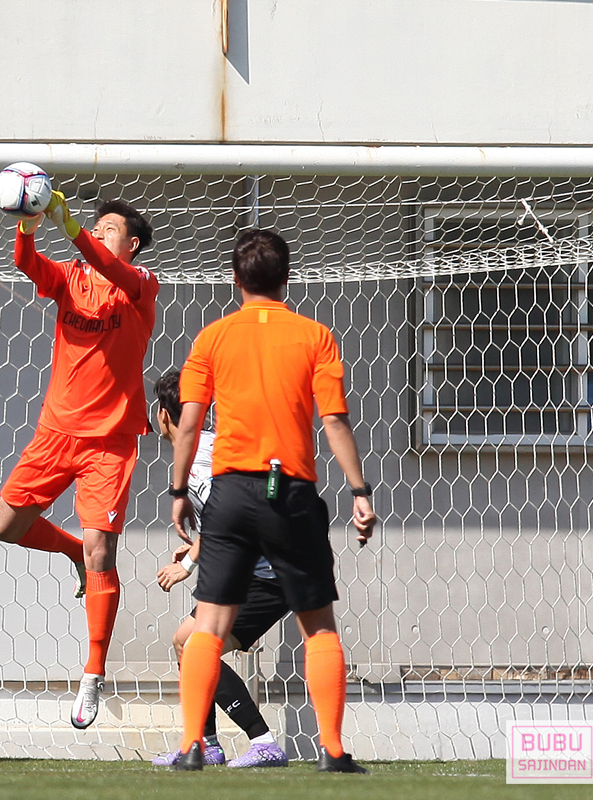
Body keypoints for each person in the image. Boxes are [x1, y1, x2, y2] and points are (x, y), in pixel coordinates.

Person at [168, 229, 376, 772]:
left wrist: (178, 491)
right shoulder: (315, 336)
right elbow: (334, 420)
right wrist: (359, 491)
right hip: (291, 493)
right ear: (287, 277)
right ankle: (333, 753)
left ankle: (192, 747)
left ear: (235, 280)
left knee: (207, 628)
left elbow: (189, 423)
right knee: (319, 627)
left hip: (231, 494)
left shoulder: (212, 338)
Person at [0, 191, 158, 729]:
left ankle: (92, 673)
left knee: (102, 549)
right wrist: (29, 224)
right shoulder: (70, 277)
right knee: (4, 527)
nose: (99, 232)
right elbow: (26, 263)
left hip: (110, 441)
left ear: (132, 244)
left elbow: (110, 265)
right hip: (56, 433)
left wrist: (73, 228)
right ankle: (70, 552)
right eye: (96, 225)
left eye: (110, 229)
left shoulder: (141, 283)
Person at [149, 369, 289, 768]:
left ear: (163, 415)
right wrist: (200, 544)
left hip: (267, 577)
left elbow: (230, 517)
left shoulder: (200, 462)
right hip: (247, 569)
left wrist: (189, 562)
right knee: (185, 642)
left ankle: (263, 742)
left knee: (198, 648)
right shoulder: (204, 450)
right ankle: (205, 743)